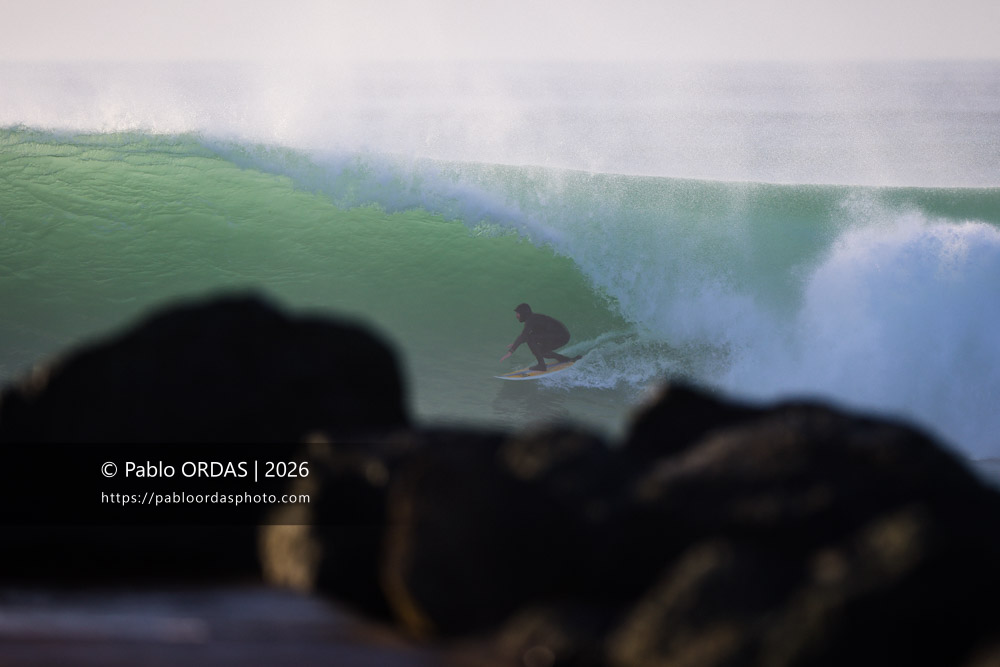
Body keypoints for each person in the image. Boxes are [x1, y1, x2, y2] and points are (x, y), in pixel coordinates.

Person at [499, 303, 581, 371]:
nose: (516, 315)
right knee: (542, 352)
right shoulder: (533, 319)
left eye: (518, 313)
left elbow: (525, 335)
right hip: (561, 336)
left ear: (523, 313)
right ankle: (565, 359)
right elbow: (526, 335)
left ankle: (541, 366)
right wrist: (515, 343)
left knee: (531, 339)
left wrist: (511, 351)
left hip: (560, 336)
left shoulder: (531, 320)